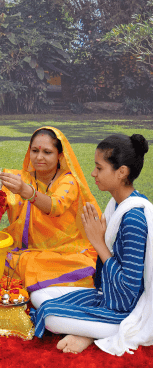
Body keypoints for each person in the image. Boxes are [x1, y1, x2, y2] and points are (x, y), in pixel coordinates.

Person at [31, 133, 152, 356]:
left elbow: (128, 295)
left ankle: (90, 333)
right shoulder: (116, 206)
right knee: (39, 296)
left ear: (122, 172)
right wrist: (101, 241)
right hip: (107, 297)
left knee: (50, 316)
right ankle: (87, 328)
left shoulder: (133, 218)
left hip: (127, 313)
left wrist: (100, 245)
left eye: (99, 168)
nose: (93, 173)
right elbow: (101, 281)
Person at [0, 126, 101, 300]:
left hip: (63, 253)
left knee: (80, 265)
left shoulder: (68, 181)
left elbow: (55, 206)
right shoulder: (21, 179)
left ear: (60, 155)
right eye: (35, 150)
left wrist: (27, 192)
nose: (39, 157)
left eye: (47, 152)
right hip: (25, 251)